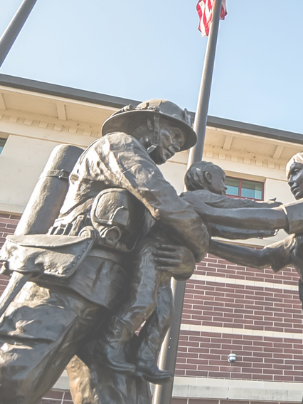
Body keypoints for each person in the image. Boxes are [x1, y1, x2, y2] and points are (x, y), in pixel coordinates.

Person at [0, 99, 208, 404]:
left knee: (120, 397)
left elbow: (158, 239)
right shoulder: (119, 146)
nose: (175, 147)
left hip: (114, 302)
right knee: (7, 377)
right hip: (69, 283)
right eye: (174, 136)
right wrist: (200, 243)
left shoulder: (142, 178)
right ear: (152, 123)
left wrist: (183, 261)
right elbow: (165, 203)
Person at [183, 150, 303, 404]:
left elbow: (277, 216)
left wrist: (205, 210)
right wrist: (207, 243)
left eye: (296, 172)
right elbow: (261, 257)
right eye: (289, 177)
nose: (291, 181)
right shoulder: (301, 238)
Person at [94, 160, 279, 382]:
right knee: (141, 303)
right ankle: (109, 345)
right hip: (152, 255)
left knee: (163, 314)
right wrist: (269, 208)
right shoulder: (196, 198)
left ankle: (145, 360)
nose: (226, 187)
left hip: (163, 265)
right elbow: (234, 207)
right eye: (223, 180)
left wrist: (261, 230)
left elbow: (226, 229)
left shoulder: (204, 213)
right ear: (208, 178)